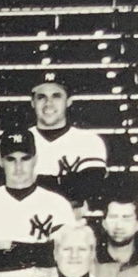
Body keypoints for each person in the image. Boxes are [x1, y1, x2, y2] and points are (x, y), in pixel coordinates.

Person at [0, 129, 77, 277]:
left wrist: (9, 247)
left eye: (25, 159)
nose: (18, 167)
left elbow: (64, 256)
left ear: (35, 159)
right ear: (0, 160)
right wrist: (38, 251)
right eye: (11, 159)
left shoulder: (57, 204)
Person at [27, 70, 108, 207]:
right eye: (41, 97)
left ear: (68, 101)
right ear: (33, 102)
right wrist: (64, 181)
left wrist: (35, 180)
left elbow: (90, 188)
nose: (48, 103)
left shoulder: (89, 140)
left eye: (56, 96)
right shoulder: (19, 139)